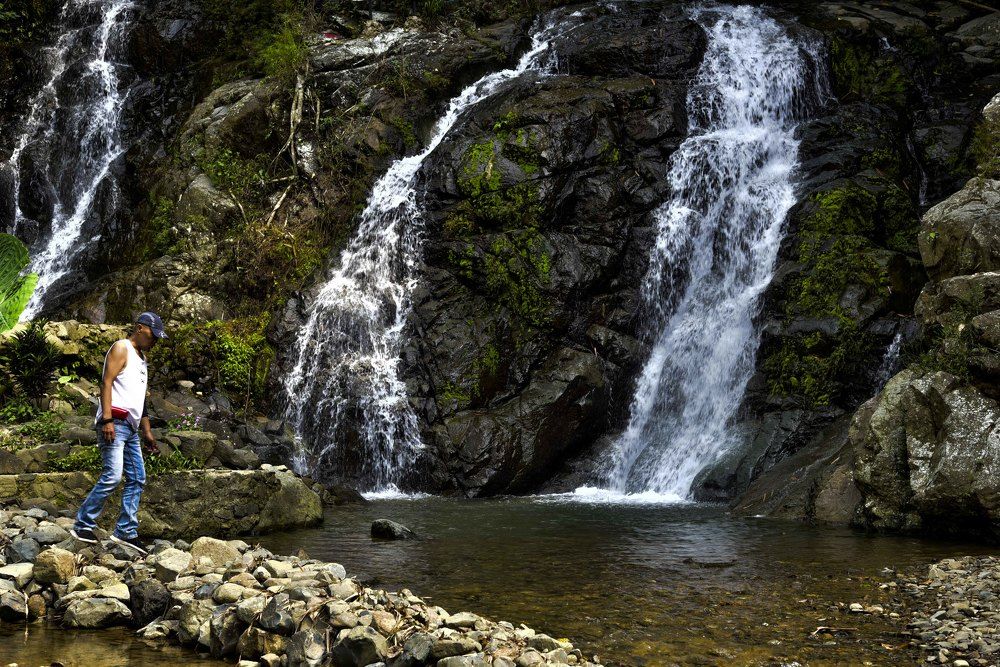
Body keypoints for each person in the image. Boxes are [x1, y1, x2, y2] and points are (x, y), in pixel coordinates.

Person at [70, 312, 168, 555]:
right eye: (153, 335)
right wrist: (106, 419)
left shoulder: (142, 359)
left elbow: (140, 401)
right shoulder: (121, 348)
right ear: (140, 328)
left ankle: (126, 531)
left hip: (131, 428)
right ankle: (82, 525)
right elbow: (106, 382)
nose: (155, 340)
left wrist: (147, 431)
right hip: (114, 422)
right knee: (113, 476)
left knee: (137, 478)